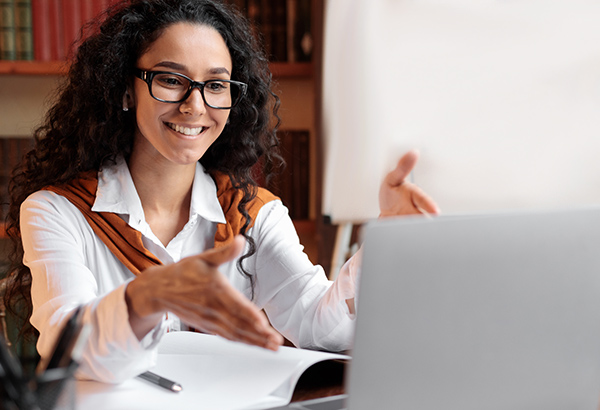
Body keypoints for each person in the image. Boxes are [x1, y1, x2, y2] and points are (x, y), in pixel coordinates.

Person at [3, 0, 439, 384]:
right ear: (125, 90)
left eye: (215, 85)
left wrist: (387, 241)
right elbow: (71, 350)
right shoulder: (57, 212)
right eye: (170, 80)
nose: (195, 106)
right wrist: (149, 296)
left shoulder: (252, 215)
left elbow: (320, 327)